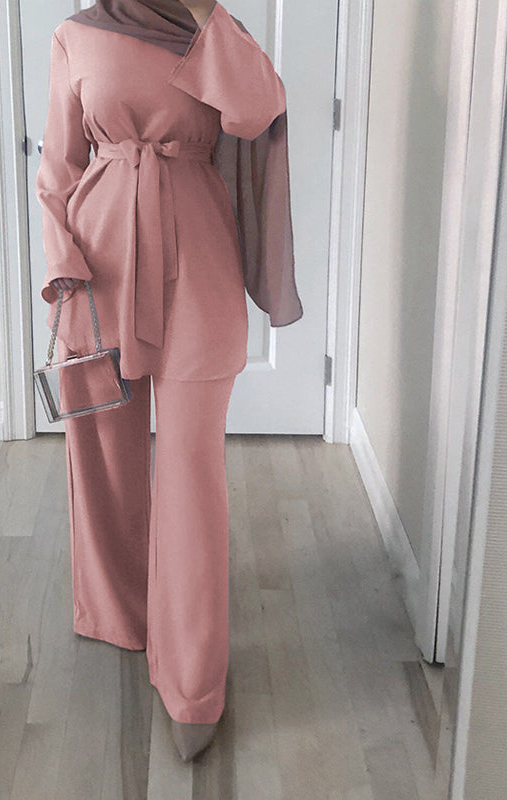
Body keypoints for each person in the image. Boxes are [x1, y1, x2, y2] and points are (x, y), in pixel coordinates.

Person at [35, 0, 296, 761]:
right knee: (103, 452)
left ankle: (192, 681)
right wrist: (61, 262)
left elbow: (258, 110)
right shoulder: (76, 34)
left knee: (189, 472)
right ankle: (120, 611)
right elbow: (57, 167)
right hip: (99, 263)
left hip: (198, 262)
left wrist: (204, 9)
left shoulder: (215, 32)